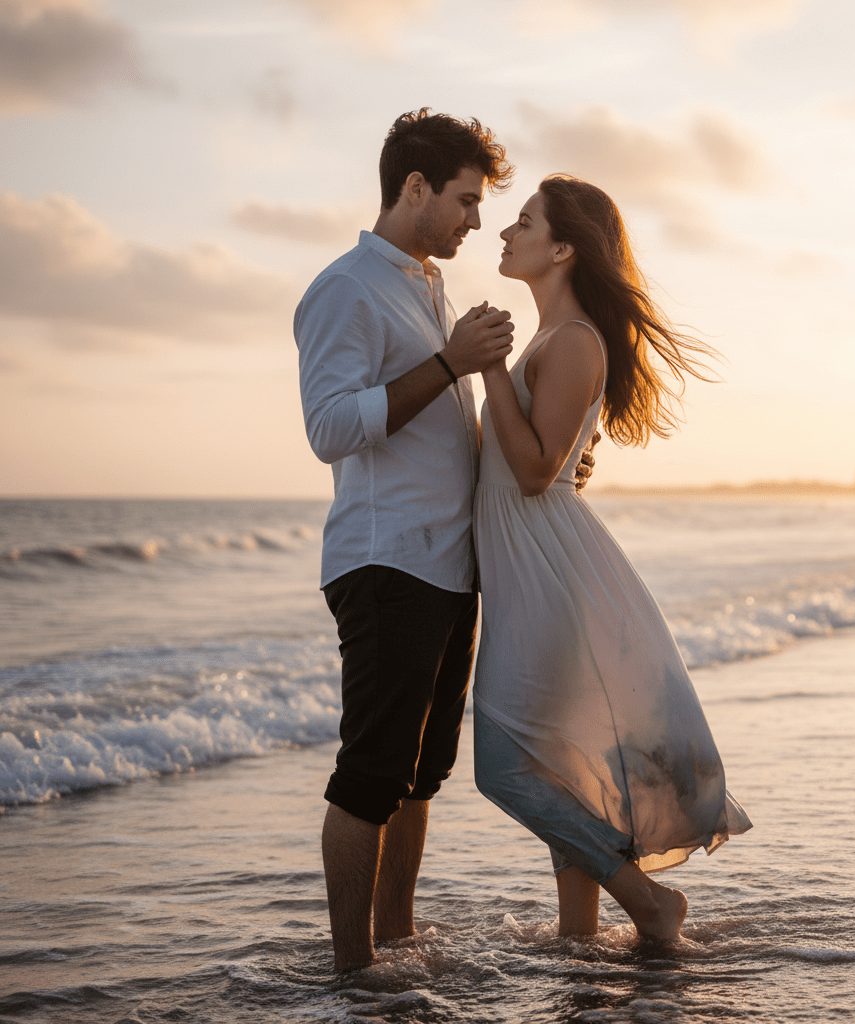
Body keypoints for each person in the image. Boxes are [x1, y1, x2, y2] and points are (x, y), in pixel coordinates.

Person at [473, 175, 753, 941]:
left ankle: (647, 901)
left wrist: (487, 368)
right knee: (562, 766)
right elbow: (543, 462)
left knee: (501, 768)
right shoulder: (556, 340)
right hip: (536, 565)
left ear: (562, 247)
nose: (505, 231)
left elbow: (533, 474)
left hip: (547, 572)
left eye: (522, 220)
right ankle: (578, 937)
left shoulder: (570, 342)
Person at [293, 109, 517, 971]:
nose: (475, 219)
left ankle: (396, 944)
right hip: (385, 562)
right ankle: (352, 971)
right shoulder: (345, 287)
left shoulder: (428, 285)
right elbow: (329, 426)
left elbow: (440, 435)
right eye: (464, 200)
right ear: (414, 188)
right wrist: (452, 364)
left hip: (448, 565)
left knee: (421, 775)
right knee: (372, 773)